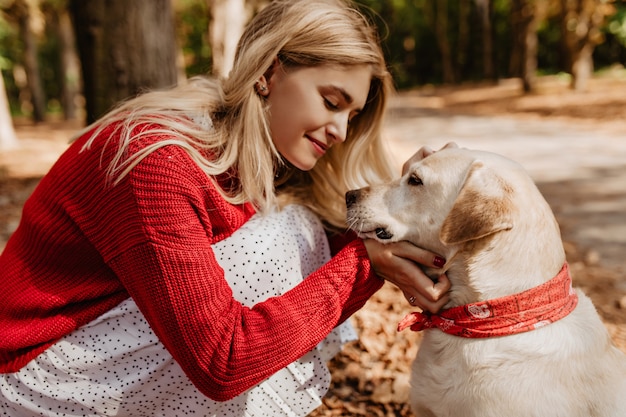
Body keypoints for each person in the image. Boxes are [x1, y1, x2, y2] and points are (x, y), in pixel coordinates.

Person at [0, 0, 450, 415]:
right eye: (331, 102)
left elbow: (345, 249)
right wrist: (365, 264)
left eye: (350, 117)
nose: (339, 131)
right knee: (287, 239)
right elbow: (223, 362)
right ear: (269, 71)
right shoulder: (158, 160)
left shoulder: (260, 154)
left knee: (305, 230)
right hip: (26, 375)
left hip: (88, 357)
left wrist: (404, 205)